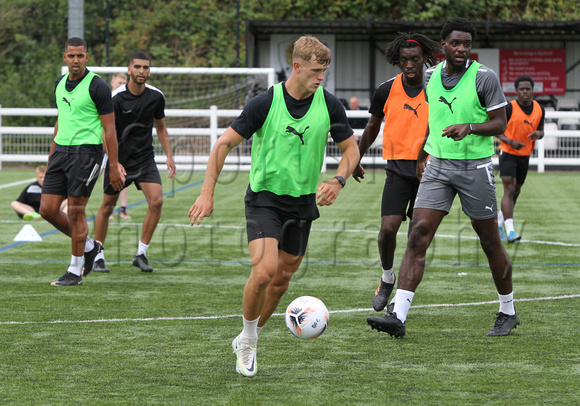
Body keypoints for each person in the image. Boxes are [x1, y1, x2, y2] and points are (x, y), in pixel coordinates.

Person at [188, 35, 359, 377]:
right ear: (296, 67)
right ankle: (249, 343)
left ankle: (247, 336)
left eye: (324, 71)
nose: (321, 77)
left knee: (281, 282)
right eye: (314, 71)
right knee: (264, 271)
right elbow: (223, 144)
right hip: (264, 200)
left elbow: (351, 150)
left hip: (302, 204)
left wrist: (338, 180)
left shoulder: (330, 104)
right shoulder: (265, 103)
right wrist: (206, 194)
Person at [367, 18, 519, 337]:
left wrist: (470, 127)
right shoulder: (430, 77)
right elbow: (432, 119)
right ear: (444, 46)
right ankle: (399, 315)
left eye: (466, 43)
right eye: (456, 43)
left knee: (490, 241)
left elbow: (501, 123)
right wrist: (423, 153)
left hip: (473, 167)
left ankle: (508, 310)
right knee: (418, 234)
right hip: (438, 167)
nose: (461, 48)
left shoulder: (484, 78)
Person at [353, 33, 440, 314]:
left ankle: (401, 304)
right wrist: (355, 157)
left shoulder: (437, 88)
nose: (409, 65)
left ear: (425, 59)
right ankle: (387, 277)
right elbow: (372, 127)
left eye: (415, 59)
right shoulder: (386, 89)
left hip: (429, 172)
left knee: (417, 236)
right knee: (387, 230)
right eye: (404, 60)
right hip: (396, 170)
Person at [40, 37, 125, 286]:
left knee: (76, 210)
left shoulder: (97, 86)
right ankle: (90, 247)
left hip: (87, 153)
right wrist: (51, 155)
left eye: (80, 55)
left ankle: (75, 272)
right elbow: (60, 120)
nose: (75, 60)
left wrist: (113, 165)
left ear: (87, 57)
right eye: (71, 55)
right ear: (64, 57)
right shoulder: (59, 84)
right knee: (47, 209)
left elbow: (110, 130)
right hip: (60, 152)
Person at [91, 51, 176, 274]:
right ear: (129, 69)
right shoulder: (116, 97)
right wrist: (114, 163)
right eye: (137, 67)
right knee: (107, 206)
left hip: (145, 159)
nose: (141, 71)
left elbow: (161, 127)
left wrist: (168, 155)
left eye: (145, 68)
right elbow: (106, 131)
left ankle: (141, 253)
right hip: (119, 160)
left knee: (157, 202)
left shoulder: (156, 96)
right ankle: (98, 254)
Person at [496, 76, 545, 243]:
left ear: (532, 90)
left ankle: (498, 223)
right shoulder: (509, 108)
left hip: (524, 156)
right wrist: (509, 141)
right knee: (509, 190)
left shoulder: (539, 109)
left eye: (528, 89)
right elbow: (496, 129)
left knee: (516, 192)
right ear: (516, 91)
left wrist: (539, 134)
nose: (525, 92)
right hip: (508, 153)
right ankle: (510, 232)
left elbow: (541, 130)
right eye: (522, 89)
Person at [109, 72, 132, 221]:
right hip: (108, 144)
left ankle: (123, 209)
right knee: (110, 175)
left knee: (124, 176)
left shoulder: (127, 100)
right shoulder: (107, 99)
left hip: (124, 144)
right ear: (112, 83)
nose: (121, 85)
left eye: (123, 83)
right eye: (118, 82)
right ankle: (109, 208)